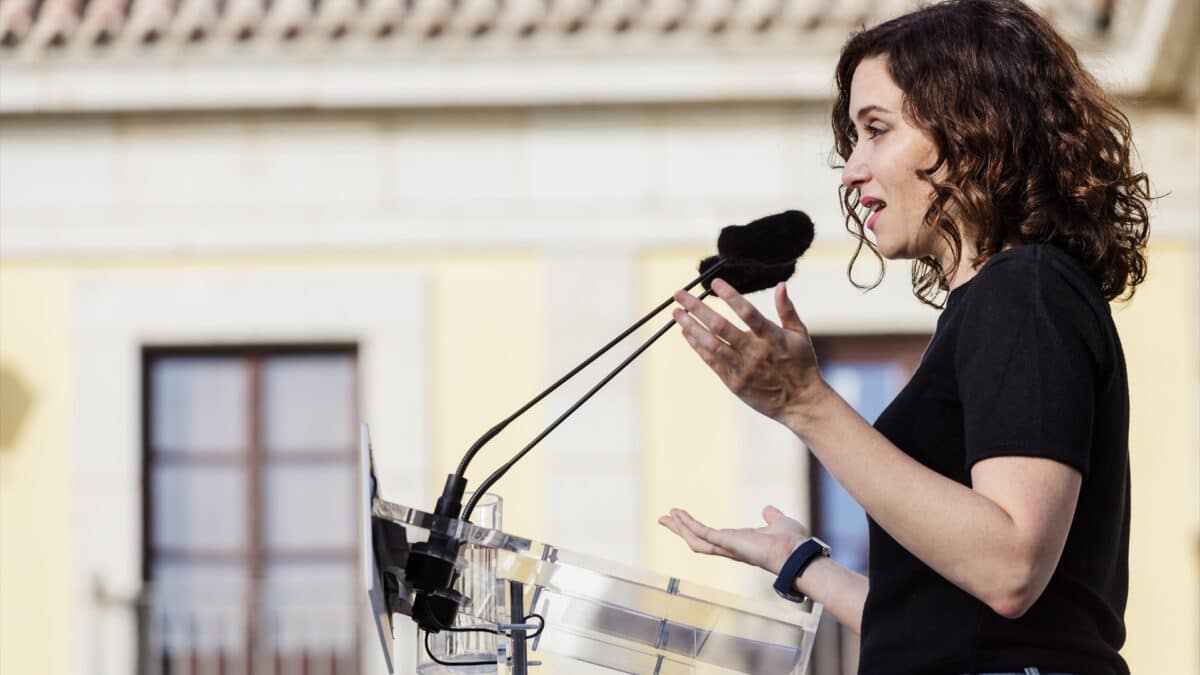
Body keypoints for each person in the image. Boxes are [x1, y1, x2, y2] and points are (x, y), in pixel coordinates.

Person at [657, 1, 1152, 674]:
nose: (852, 171)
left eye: (876, 130)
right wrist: (799, 563)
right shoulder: (992, 304)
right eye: (852, 140)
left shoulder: (1026, 290)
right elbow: (944, 626)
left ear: (974, 130)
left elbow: (1009, 566)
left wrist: (806, 404)